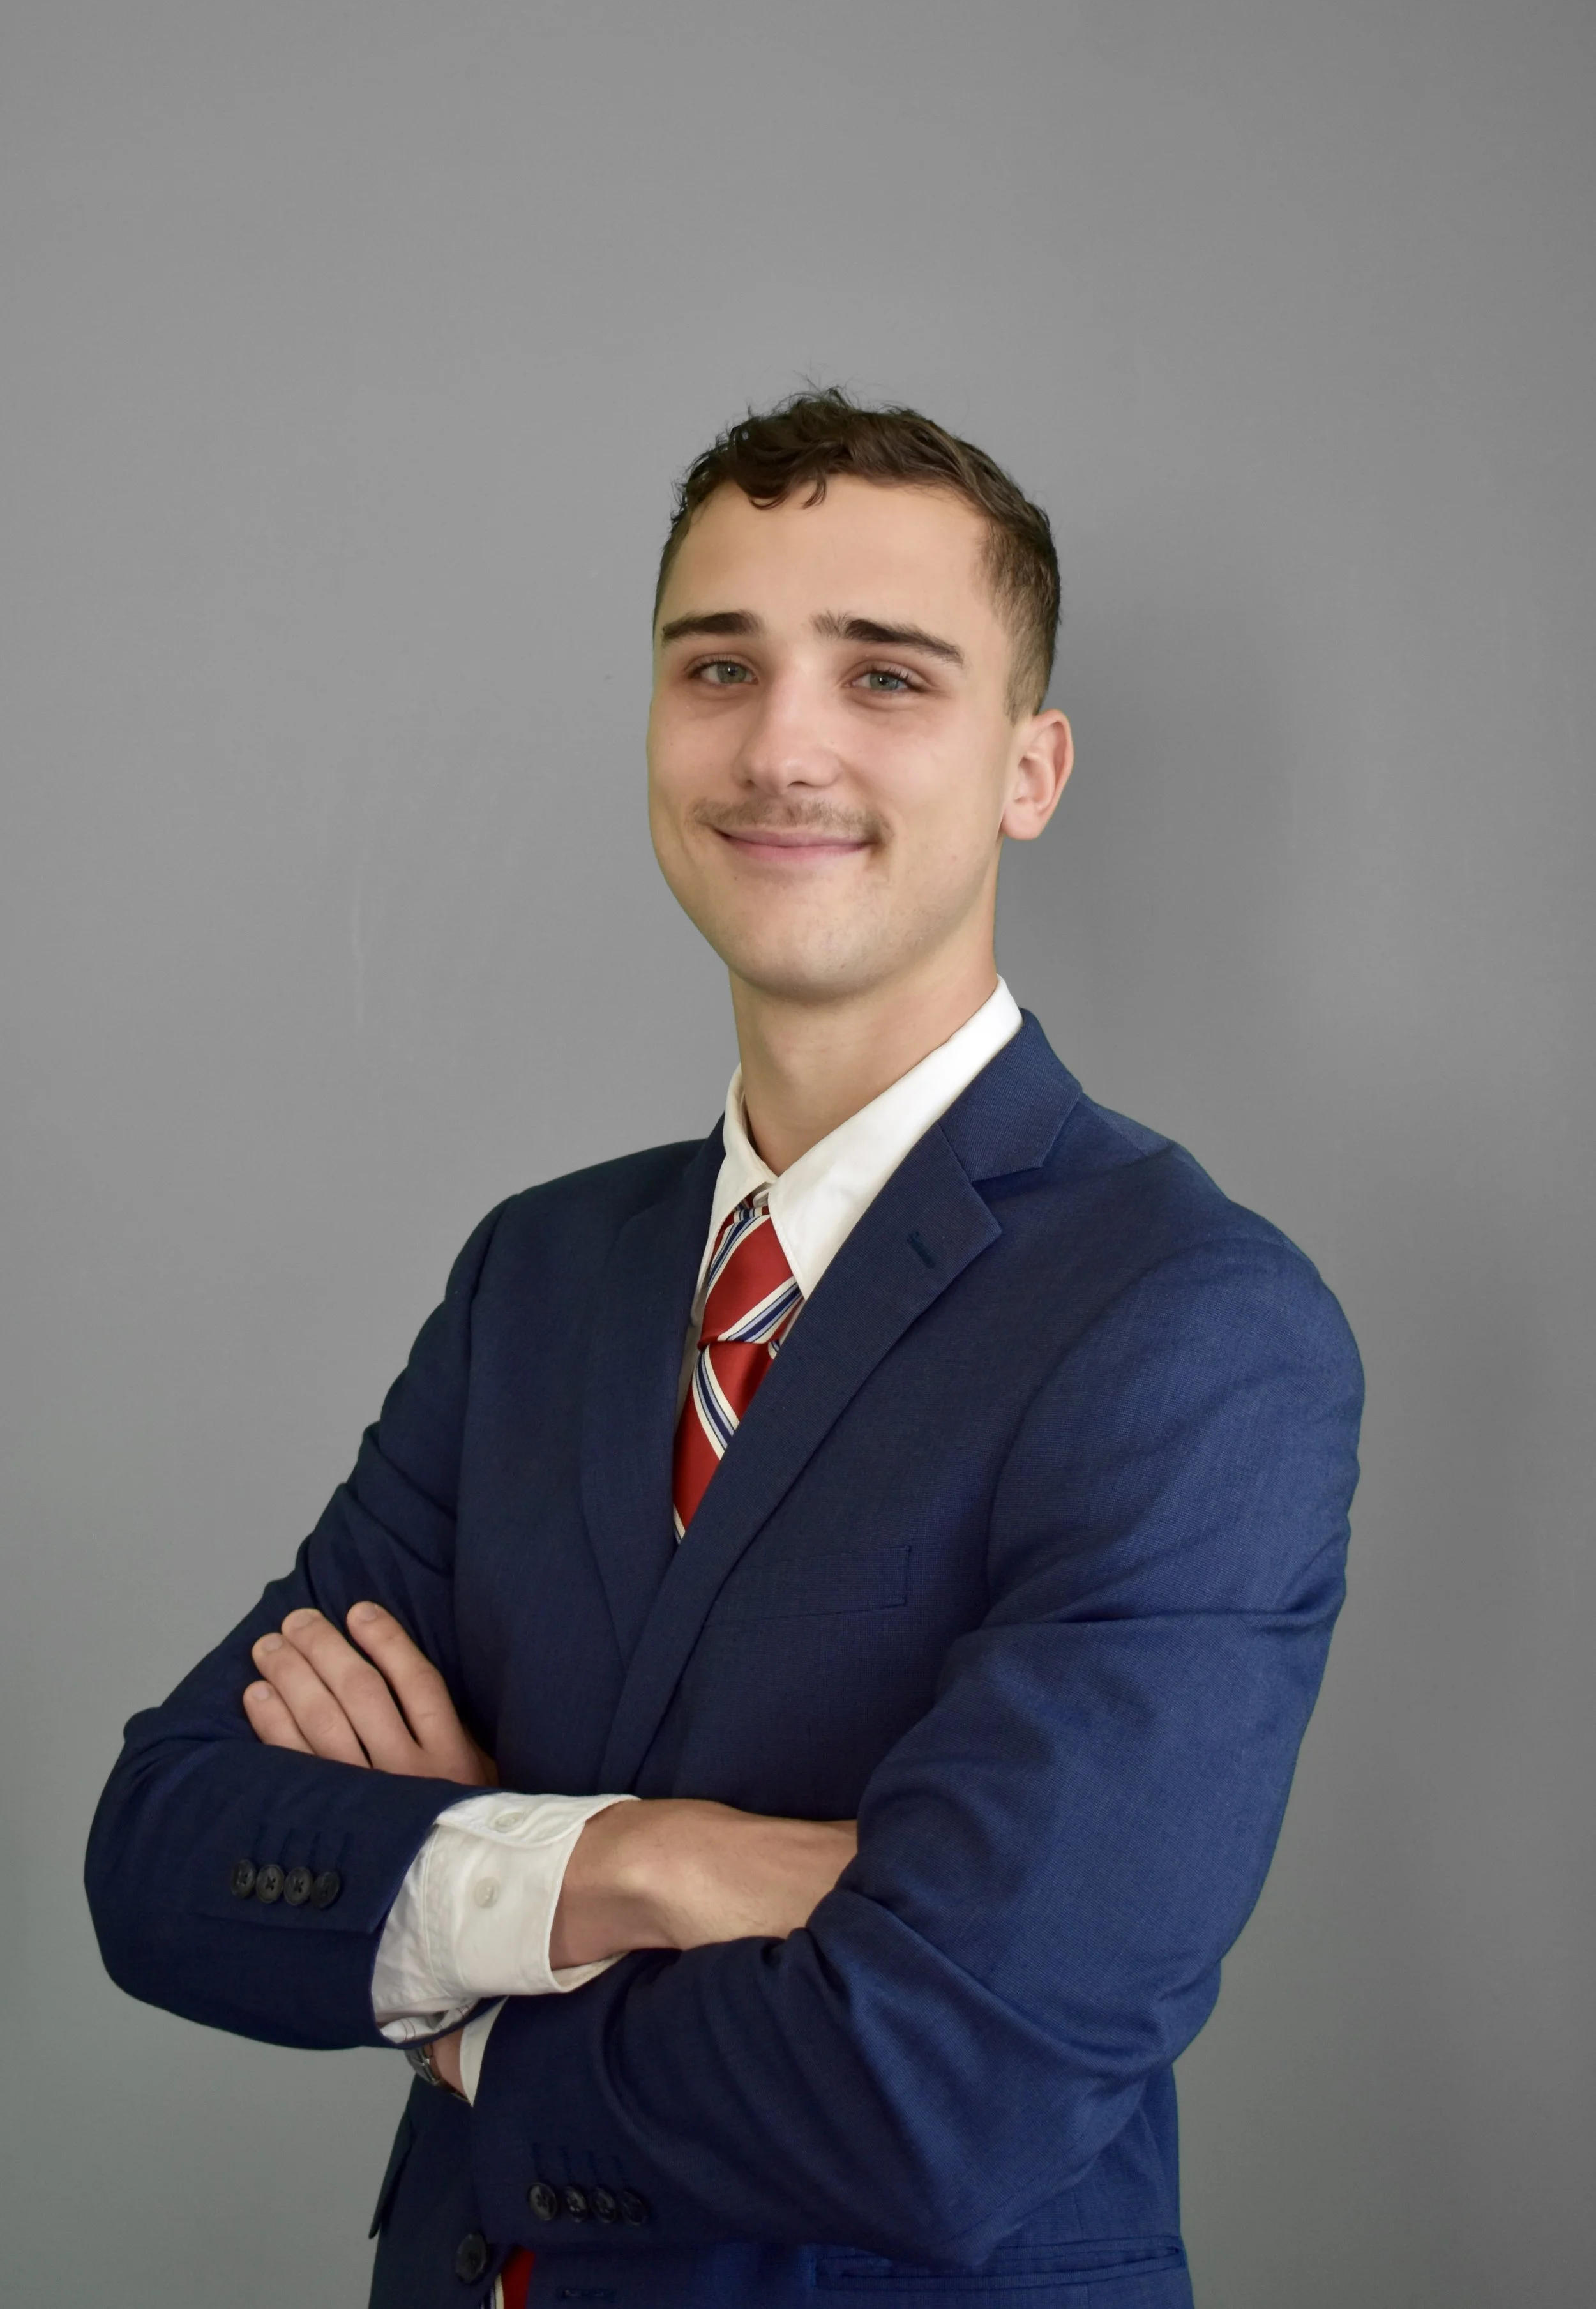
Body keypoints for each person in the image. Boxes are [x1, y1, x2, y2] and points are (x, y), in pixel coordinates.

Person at [86, 388, 1363, 2309]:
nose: (781, 745)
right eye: (719, 665)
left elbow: (944, 2092)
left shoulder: (1189, 1324)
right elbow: (168, 1849)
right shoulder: (538, 1272)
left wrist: (460, 1981)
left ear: (1030, 769)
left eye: (885, 675)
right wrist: (644, 1861)